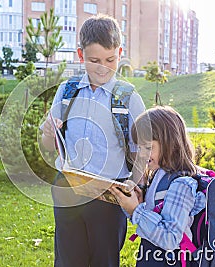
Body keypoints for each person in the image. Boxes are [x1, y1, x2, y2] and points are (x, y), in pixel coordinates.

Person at [41, 14, 145, 267]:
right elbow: (48, 145)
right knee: (67, 260)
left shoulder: (129, 99)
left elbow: (143, 153)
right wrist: (46, 133)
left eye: (110, 60)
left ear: (120, 53)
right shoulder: (67, 92)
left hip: (109, 197)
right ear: (80, 55)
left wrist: (133, 186)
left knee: (104, 261)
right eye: (94, 60)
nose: (102, 68)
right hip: (68, 189)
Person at [109, 106, 206, 267]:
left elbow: (170, 238)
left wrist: (136, 211)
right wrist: (140, 204)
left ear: (171, 144)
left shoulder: (181, 184)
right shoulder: (159, 175)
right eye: (139, 147)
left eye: (148, 148)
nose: (141, 154)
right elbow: (156, 217)